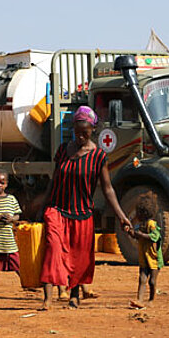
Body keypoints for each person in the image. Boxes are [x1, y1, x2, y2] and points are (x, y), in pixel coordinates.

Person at [38, 105, 132, 310]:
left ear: (93, 131)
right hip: (57, 210)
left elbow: (108, 190)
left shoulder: (98, 157)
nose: (80, 136)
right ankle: (47, 298)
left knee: (79, 257)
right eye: (77, 131)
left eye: (85, 132)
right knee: (53, 249)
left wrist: (122, 216)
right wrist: (42, 208)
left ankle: (74, 295)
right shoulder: (63, 150)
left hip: (82, 214)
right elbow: (53, 182)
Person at [127, 193, 163, 309]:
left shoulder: (152, 225)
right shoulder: (140, 225)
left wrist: (141, 235)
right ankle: (139, 300)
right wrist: (130, 231)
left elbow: (155, 237)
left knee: (152, 281)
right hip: (144, 257)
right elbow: (135, 235)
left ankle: (151, 299)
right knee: (142, 278)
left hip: (154, 258)